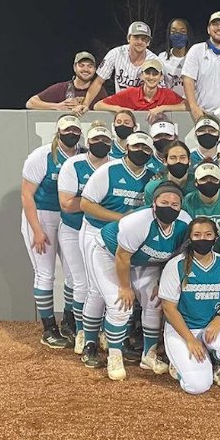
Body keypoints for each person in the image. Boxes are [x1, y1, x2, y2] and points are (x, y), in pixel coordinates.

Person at [93, 182, 192, 380]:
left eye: (175, 204)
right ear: (154, 204)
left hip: (147, 261)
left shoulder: (185, 223)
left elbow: (176, 257)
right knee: (120, 305)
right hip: (111, 254)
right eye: (164, 202)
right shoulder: (138, 221)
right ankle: (115, 355)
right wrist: (125, 287)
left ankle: (149, 355)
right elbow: (122, 257)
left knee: (155, 301)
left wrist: (162, 283)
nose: (170, 207)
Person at [79, 131, 156, 367]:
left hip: (128, 239)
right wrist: (121, 218)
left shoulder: (151, 177)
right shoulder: (108, 171)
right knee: (96, 290)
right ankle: (89, 343)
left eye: (146, 148)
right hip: (97, 233)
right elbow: (85, 204)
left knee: (121, 296)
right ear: (126, 148)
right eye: (137, 146)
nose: (141, 151)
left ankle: (115, 340)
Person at [159, 217, 220, 394]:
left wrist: (218, 321)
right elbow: (168, 308)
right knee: (198, 386)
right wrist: (190, 340)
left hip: (212, 324)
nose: (203, 239)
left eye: (208, 234)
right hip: (183, 329)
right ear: (190, 238)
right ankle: (178, 363)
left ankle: (214, 358)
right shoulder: (176, 265)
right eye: (197, 235)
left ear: (216, 237)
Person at [21, 115, 83, 348]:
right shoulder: (42, 155)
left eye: (76, 130)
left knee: (73, 273)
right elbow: (27, 194)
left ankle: (69, 321)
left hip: (70, 217)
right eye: (68, 130)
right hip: (43, 214)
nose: (72, 134)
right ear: (58, 132)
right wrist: (36, 229)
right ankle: (48, 327)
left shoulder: (83, 155)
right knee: (45, 273)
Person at [58, 121, 112, 354]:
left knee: (100, 285)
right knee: (82, 283)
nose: (100, 143)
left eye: (105, 140)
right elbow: (67, 205)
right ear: (87, 142)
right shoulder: (74, 164)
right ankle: (81, 331)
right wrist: (95, 203)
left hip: (105, 231)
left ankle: (97, 330)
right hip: (73, 229)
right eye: (96, 140)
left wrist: (93, 204)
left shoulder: (116, 166)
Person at [75, 22, 157, 116]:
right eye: (136, 37)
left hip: (145, 109)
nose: (139, 42)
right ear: (128, 38)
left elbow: (160, 90)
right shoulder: (116, 53)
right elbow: (98, 82)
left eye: (144, 39)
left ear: (148, 42)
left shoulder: (154, 60)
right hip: (121, 107)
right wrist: (85, 104)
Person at [182, 162, 220, 262]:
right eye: (203, 179)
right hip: (194, 252)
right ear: (196, 182)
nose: (208, 182)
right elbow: (184, 233)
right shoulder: (187, 201)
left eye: (213, 179)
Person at [94, 59, 186, 122]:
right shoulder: (130, 93)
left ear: (161, 77)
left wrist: (163, 108)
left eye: (155, 74)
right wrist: (119, 109)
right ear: (141, 76)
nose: (151, 77)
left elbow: (188, 106)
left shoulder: (167, 94)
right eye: (147, 73)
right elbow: (97, 106)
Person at [26, 51, 108, 111]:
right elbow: (31, 103)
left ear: (95, 69)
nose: (86, 69)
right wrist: (57, 106)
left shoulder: (100, 91)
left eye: (90, 66)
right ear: (75, 68)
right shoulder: (61, 88)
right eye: (81, 65)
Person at [144, 141, 196, 205]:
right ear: (165, 161)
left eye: (182, 157)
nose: (178, 161)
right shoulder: (152, 187)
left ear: (189, 160)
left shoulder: (198, 184)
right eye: (173, 158)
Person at [158, 18, 193, 97]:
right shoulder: (161, 58)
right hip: (169, 103)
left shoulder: (194, 57)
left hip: (189, 104)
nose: (178, 35)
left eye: (182, 32)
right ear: (169, 34)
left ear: (187, 35)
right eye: (174, 32)